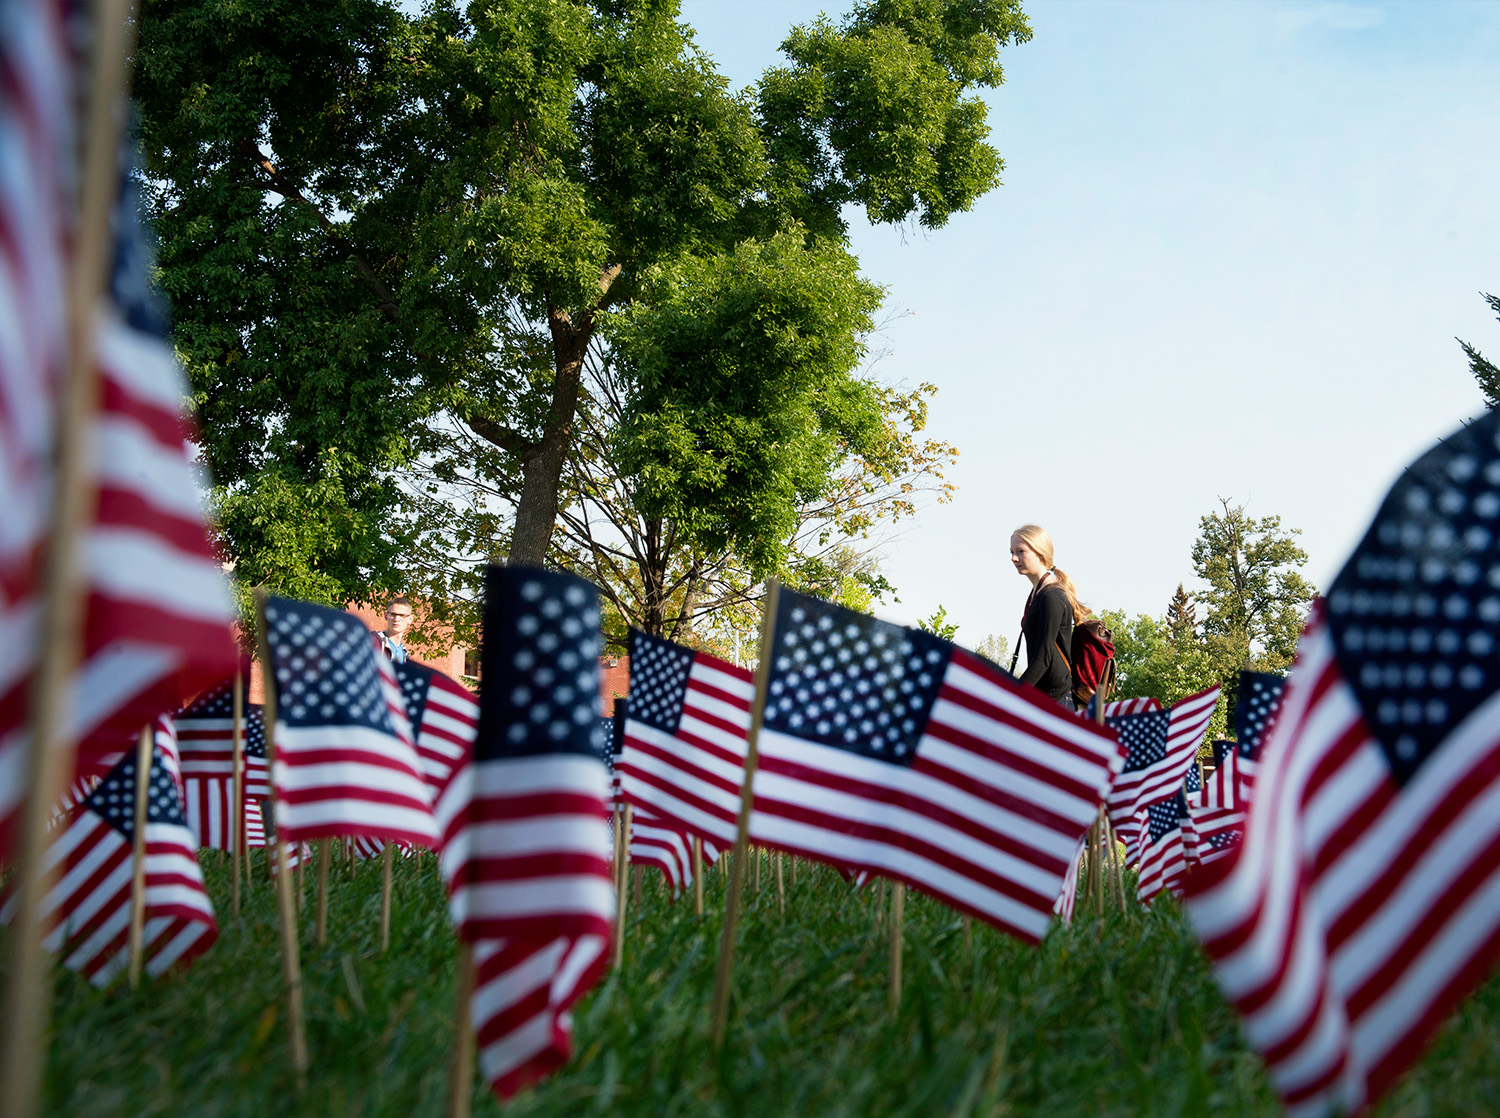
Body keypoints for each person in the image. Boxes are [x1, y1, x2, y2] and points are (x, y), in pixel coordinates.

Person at [1008, 524, 1089, 708]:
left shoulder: (1052, 596)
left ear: (1040, 553)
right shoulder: (1038, 593)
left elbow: (1043, 656)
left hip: (1055, 699)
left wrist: (1014, 692)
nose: (1014, 558)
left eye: (1020, 551)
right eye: (1012, 551)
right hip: (1044, 696)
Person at [373, 596, 414, 664]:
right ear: (386, 615)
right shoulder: (374, 641)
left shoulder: (404, 653)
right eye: (392, 614)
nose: (396, 619)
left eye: (402, 615)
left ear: (410, 619)